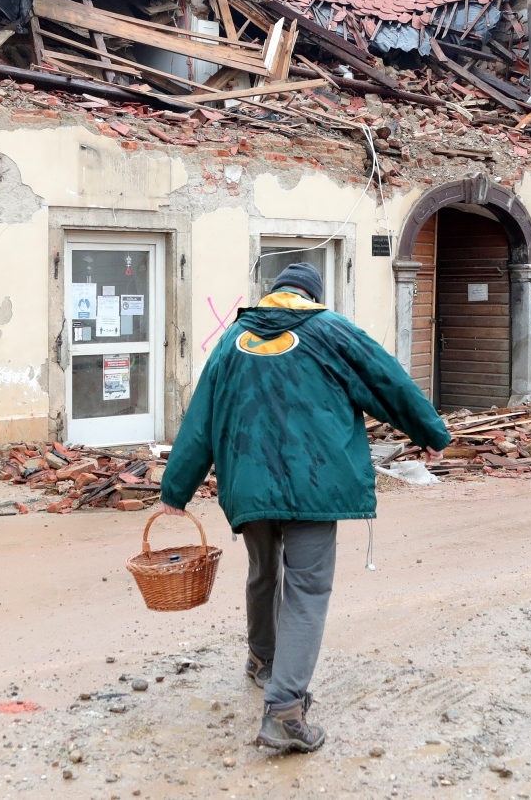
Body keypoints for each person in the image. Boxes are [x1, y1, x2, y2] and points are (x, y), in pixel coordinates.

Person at [158, 261, 450, 753]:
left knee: (263, 571)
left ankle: (263, 660)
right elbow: (387, 381)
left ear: (274, 294)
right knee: (307, 588)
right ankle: (285, 710)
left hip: (248, 485)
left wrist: (175, 488)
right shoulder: (332, 330)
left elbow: (200, 419)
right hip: (317, 482)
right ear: (312, 297)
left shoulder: (232, 340)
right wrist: (430, 433)